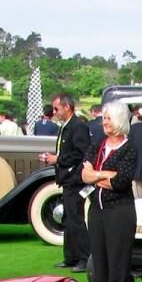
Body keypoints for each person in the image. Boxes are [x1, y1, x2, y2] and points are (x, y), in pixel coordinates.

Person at [81, 101, 137, 282]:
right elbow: (84, 175)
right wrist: (104, 175)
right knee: (100, 260)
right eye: (104, 118)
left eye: (109, 118)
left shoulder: (130, 147)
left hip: (119, 211)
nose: (105, 122)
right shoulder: (99, 144)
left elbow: (121, 181)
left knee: (118, 261)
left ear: (120, 120)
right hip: (97, 210)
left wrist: (96, 175)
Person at [39, 93, 90, 272]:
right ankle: (71, 256)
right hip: (67, 178)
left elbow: (81, 152)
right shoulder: (66, 127)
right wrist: (54, 159)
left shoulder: (78, 127)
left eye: (56, 109)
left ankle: (85, 258)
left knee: (76, 219)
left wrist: (58, 159)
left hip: (75, 179)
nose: (54, 112)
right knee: (68, 219)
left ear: (67, 107)